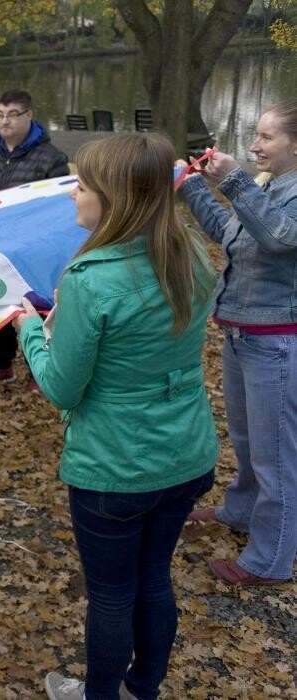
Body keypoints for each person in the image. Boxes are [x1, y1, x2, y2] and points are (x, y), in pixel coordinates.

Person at [13, 133, 218, 700]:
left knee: (111, 595)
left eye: (82, 185)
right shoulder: (191, 255)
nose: (73, 194)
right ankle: (141, 688)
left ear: (117, 198)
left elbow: (60, 387)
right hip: (186, 457)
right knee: (153, 578)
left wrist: (29, 330)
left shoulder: (92, 280)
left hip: (115, 469)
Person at [178, 98, 297, 586]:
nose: (254, 145)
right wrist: (189, 186)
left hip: (277, 343)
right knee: (249, 444)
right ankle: (243, 511)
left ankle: (271, 559)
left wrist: (234, 180)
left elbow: (280, 238)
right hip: (242, 335)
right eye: (257, 135)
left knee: (277, 456)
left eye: (267, 137)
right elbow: (229, 231)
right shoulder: (269, 187)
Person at [0, 89, 70, 391]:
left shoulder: (51, 159)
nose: (5, 121)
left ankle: (41, 369)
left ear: (29, 116)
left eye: (12, 114)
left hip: (35, 251)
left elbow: (60, 210)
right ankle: (1, 365)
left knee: (39, 307)